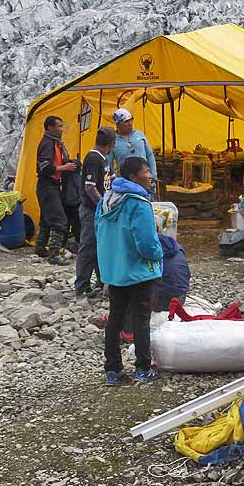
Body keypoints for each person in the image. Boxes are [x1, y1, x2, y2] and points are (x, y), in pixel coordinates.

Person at [96, 156, 163, 385]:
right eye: (147, 172)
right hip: (139, 271)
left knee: (115, 318)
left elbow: (99, 232)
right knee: (141, 319)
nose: (150, 176)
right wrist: (159, 254)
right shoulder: (138, 203)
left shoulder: (106, 200)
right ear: (134, 177)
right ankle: (143, 369)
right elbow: (146, 243)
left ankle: (112, 370)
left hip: (114, 270)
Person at [74, 126, 115, 296]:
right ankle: (82, 285)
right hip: (92, 210)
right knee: (88, 245)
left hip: (99, 210)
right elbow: (90, 187)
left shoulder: (104, 159)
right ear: (111, 144)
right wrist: (102, 205)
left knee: (101, 245)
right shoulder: (93, 158)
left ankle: (102, 279)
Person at [35, 116, 78, 265]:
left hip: (51, 185)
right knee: (59, 220)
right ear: (50, 128)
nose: (61, 129)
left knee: (47, 218)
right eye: (59, 126)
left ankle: (40, 247)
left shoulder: (56, 143)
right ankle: (54, 254)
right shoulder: (47, 144)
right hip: (47, 185)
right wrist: (63, 168)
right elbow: (44, 167)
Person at [111, 108, 158, 199]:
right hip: (126, 182)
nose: (129, 124)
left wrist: (153, 174)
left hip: (144, 178)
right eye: (126, 122)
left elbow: (150, 155)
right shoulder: (113, 141)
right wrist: (115, 180)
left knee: (148, 202)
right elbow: (109, 164)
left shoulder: (140, 135)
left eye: (131, 120)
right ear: (118, 124)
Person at [153, 233, 190, 312]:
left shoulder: (151, 250)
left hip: (162, 302)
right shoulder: (178, 248)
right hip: (181, 298)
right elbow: (188, 274)